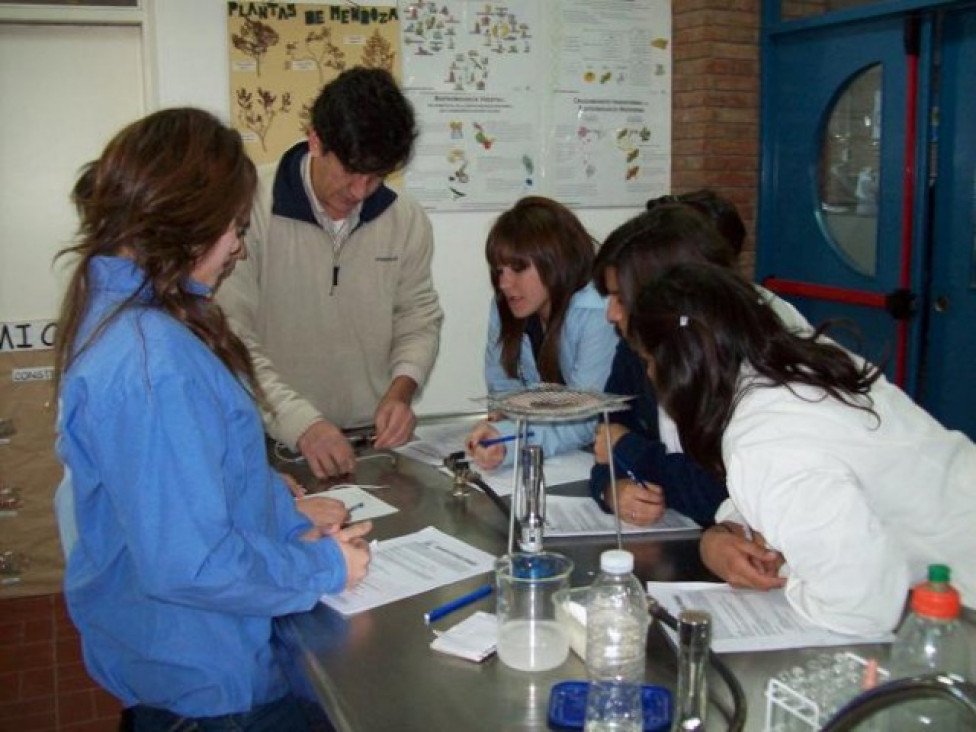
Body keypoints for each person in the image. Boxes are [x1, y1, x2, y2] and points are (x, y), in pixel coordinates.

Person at [53, 108, 372, 730]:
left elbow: (197, 486)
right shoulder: (151, 358)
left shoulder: (134, 310)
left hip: (186, 654)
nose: (237, 245)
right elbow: (190, 563)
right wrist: (326, 567)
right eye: (232, 226)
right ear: (187, 225)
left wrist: (284, 518)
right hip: (204, 678)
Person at [628, 262, 976, 635]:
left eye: (649, 362)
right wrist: (730, 530)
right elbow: (803, 483)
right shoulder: (791, 372)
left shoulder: (764, 439)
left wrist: (785, 567)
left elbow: (861, 606)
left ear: (681, 367)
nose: (649, 376)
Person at [217, 67, 443, 479]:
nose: (360, 192)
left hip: (368, 442)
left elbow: (419, 319)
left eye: (376, 177)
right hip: (273, 440)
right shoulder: (249, 209)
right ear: (316, 139)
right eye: (351, 171)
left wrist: (401, 390)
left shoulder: (405, 220)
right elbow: (232, 338)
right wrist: (301, 423)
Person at [464, 197, 618, 470]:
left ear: (556, 261)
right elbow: (503, 390)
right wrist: (500, 430)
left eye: (519, 269)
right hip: (549, 455)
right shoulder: (504, 305)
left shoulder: (599, 312)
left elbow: (583, 418)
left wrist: (511, 441)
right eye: (499, 270)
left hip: (600, 458)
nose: (505, 283)